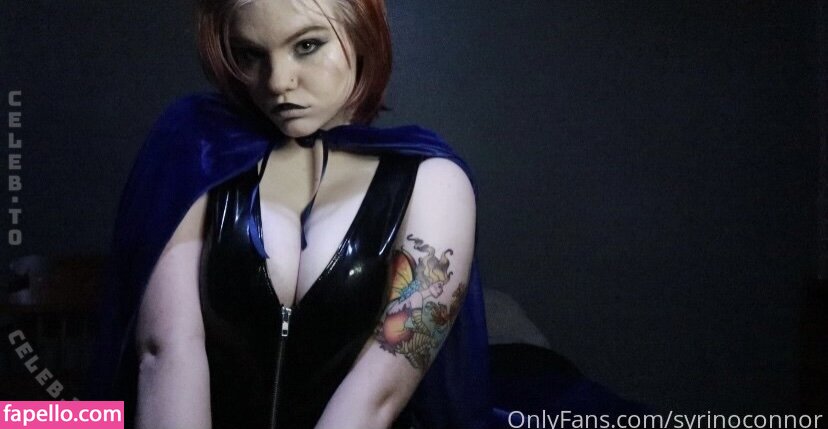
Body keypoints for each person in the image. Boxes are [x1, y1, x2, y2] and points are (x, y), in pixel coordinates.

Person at [98, 0, 492, 427]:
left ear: (361, 33)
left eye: (307, 45)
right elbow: (166, 352)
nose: (277, 82)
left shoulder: (434, 183)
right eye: (251, 54)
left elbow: (379, 396)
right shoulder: (194, 149)